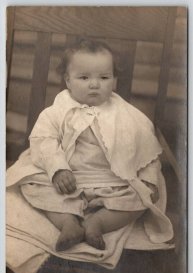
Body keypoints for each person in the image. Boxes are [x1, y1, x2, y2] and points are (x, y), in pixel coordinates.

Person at [8, 39, 174, 252]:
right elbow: (43, 141)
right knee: (31, 185)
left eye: (104, 77)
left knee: (141, 198)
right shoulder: (56, 112)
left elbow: (147, 151)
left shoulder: (127, 114)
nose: (94, 84)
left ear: (114, 79)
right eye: (84, 77)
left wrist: (149, 180)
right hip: (67, 181)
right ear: (68, 80)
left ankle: (98, 223)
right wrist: (57, 169)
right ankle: (67, 223)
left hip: (112, 181)